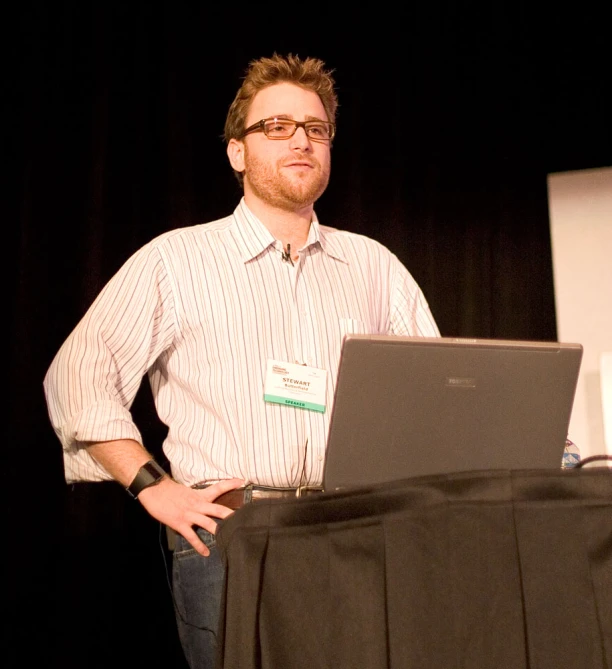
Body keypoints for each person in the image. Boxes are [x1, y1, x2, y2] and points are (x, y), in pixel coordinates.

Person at [43, 53, 441, 668]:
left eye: (316, 129)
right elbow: (76, 376)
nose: (301, 141)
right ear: (237, 151)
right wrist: (155, 487)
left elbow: (435, 391)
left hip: (360, 534)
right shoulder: (176, 261)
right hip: (232, 538)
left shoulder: (373, 266)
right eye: (277, 127)